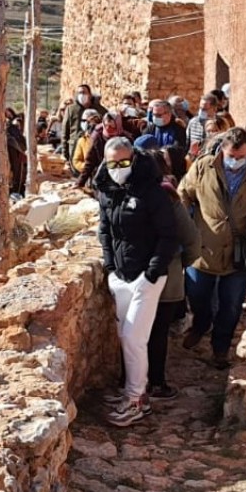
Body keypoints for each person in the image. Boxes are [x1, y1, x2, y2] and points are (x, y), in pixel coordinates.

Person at [178, 127, 246, 369]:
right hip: (203, 247)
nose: (235, 161)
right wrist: (184, 224)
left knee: (231, 304)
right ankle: (201, 324)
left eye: (241, 156)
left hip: (240, 252)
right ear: (221, 150)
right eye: (231, 156)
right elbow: (185, 192)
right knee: (197, 295)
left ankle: (220, 348)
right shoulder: (204, 166)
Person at [95, 136, 178, 426]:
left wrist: (153, 271)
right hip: (120, 275)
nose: (118, 167)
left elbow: (170, 235)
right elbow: (105, 230)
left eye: (124, 162)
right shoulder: (106, 188)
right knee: (126, 338)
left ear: (134, 159)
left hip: (146, 277)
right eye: (112, 162)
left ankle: (135, 400)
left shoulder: (152, 192)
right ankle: (134, 394)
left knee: (134, 338)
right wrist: (109, 267)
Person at [141, 148, 200, 401]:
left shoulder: (129, 194)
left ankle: (131, 381)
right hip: (167, 275)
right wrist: (180, 265)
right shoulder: (170, 197)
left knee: (136, 331)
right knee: (157, 332)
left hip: (136, 274)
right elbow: (192, 240)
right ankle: (156, 382)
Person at [62, 83, 107, 168]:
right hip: (75, 148)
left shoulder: (100, 110)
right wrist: (65, 154)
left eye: (83, 92)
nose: (81, 95)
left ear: (89, 94)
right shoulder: (71, 110)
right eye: (79, 93)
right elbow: (65, 132)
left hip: (92, 146)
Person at [78, 112, 128, 189]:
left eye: (111, 126)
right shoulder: (97, 137)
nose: (108, 128)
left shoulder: (126, 139)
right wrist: (80, 182)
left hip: (122, 176)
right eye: (106, 125)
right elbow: (90, 161)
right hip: (102, 178)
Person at [186, 92, 219, 159]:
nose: (201, 111)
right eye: (200, 108)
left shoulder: (220, 123)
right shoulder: (193, 122)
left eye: (204, 109)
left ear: (214, 109)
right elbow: (187, 143)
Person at [71, 108, 103, 174]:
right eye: (84, 121)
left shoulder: (105, 137)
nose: (87, 124)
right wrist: (87, 167)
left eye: (91, 122)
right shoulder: (82, 140)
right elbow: (76, 161)